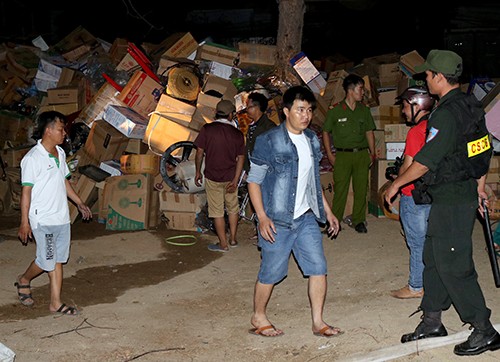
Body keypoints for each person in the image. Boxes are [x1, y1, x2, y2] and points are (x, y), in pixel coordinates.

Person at [385, 49, 500, 356]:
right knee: (434, 258)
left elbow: (426, 161)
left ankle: (484, 329)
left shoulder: (446, 113)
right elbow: (481, 151)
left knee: (454, 265)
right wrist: (479, 186)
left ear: (438, 77)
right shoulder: (470, 105)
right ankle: (432, 319)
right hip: (456, 193)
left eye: (427, 74)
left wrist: (395, 183)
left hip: (451, 197)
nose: (425, 78)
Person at [247, 85, 341, 337]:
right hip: (277, 219)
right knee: (271, 272)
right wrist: (262, 217)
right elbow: (253, 181)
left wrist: (328, 211)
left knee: (318, 268)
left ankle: (318, 322)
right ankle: (258, 316)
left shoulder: (311, 139)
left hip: (306, 218)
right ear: (286, 111)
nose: (306, 115)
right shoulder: (269, 140)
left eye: (309, 110)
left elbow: (312, 181)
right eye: (300, 110)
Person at [16, 111, 92, 316]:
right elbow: (26, 191)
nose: (64, 133)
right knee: (47, 260)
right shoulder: (32, 159)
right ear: (48, 131)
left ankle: (55, 303)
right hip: (43, 219)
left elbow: (64, 181)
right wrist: (25, 222)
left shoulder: (59, 152)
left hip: (61, 217)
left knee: (56, 260)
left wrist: (79, 202)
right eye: (61, 129)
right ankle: (24, 279)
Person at [389, 86, 435, 299]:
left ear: (418, 106)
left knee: (416, 243)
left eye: (406, 107)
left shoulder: (416, 131)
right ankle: (431, 282)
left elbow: (409, 166)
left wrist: (395, 183)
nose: (403, 111)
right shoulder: (436, 127)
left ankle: (416, 286)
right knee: (428, 240)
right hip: (431, 193)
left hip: (412, 194)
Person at [322, 74, 376, 233]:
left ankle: (359, 220)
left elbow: (369, 132)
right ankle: (334, 221)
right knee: (340, 190)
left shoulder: (364, 110)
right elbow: (326, 132)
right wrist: (330, 155)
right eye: (361, 89)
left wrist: (372, 152)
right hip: (342, 156)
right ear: (350, 90)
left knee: (361, 189)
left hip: (361, 154)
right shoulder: (336, 111)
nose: (363, 92)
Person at [194, 99, 246, 252]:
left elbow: (199, 152)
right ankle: (233, 239)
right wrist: (236, 179)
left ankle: (223, 244)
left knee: (217, 211)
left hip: (212, 176)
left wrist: (198, 171)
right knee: (233, 208)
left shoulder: (207, 129)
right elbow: (241, 158)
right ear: (231, 115)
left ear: (216, 113)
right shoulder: (237, 134)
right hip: (230, 177)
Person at [243, 91, 277, 238]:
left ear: (257, 108)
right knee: (257, 201)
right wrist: (246, 169)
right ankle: (260, 228)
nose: (247, 110)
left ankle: (268, 228)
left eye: (249, 107)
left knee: (267, 202)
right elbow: (248, 150)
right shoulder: (253, 127)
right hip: (254, 169)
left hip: (267, 172)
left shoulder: (269, 127)